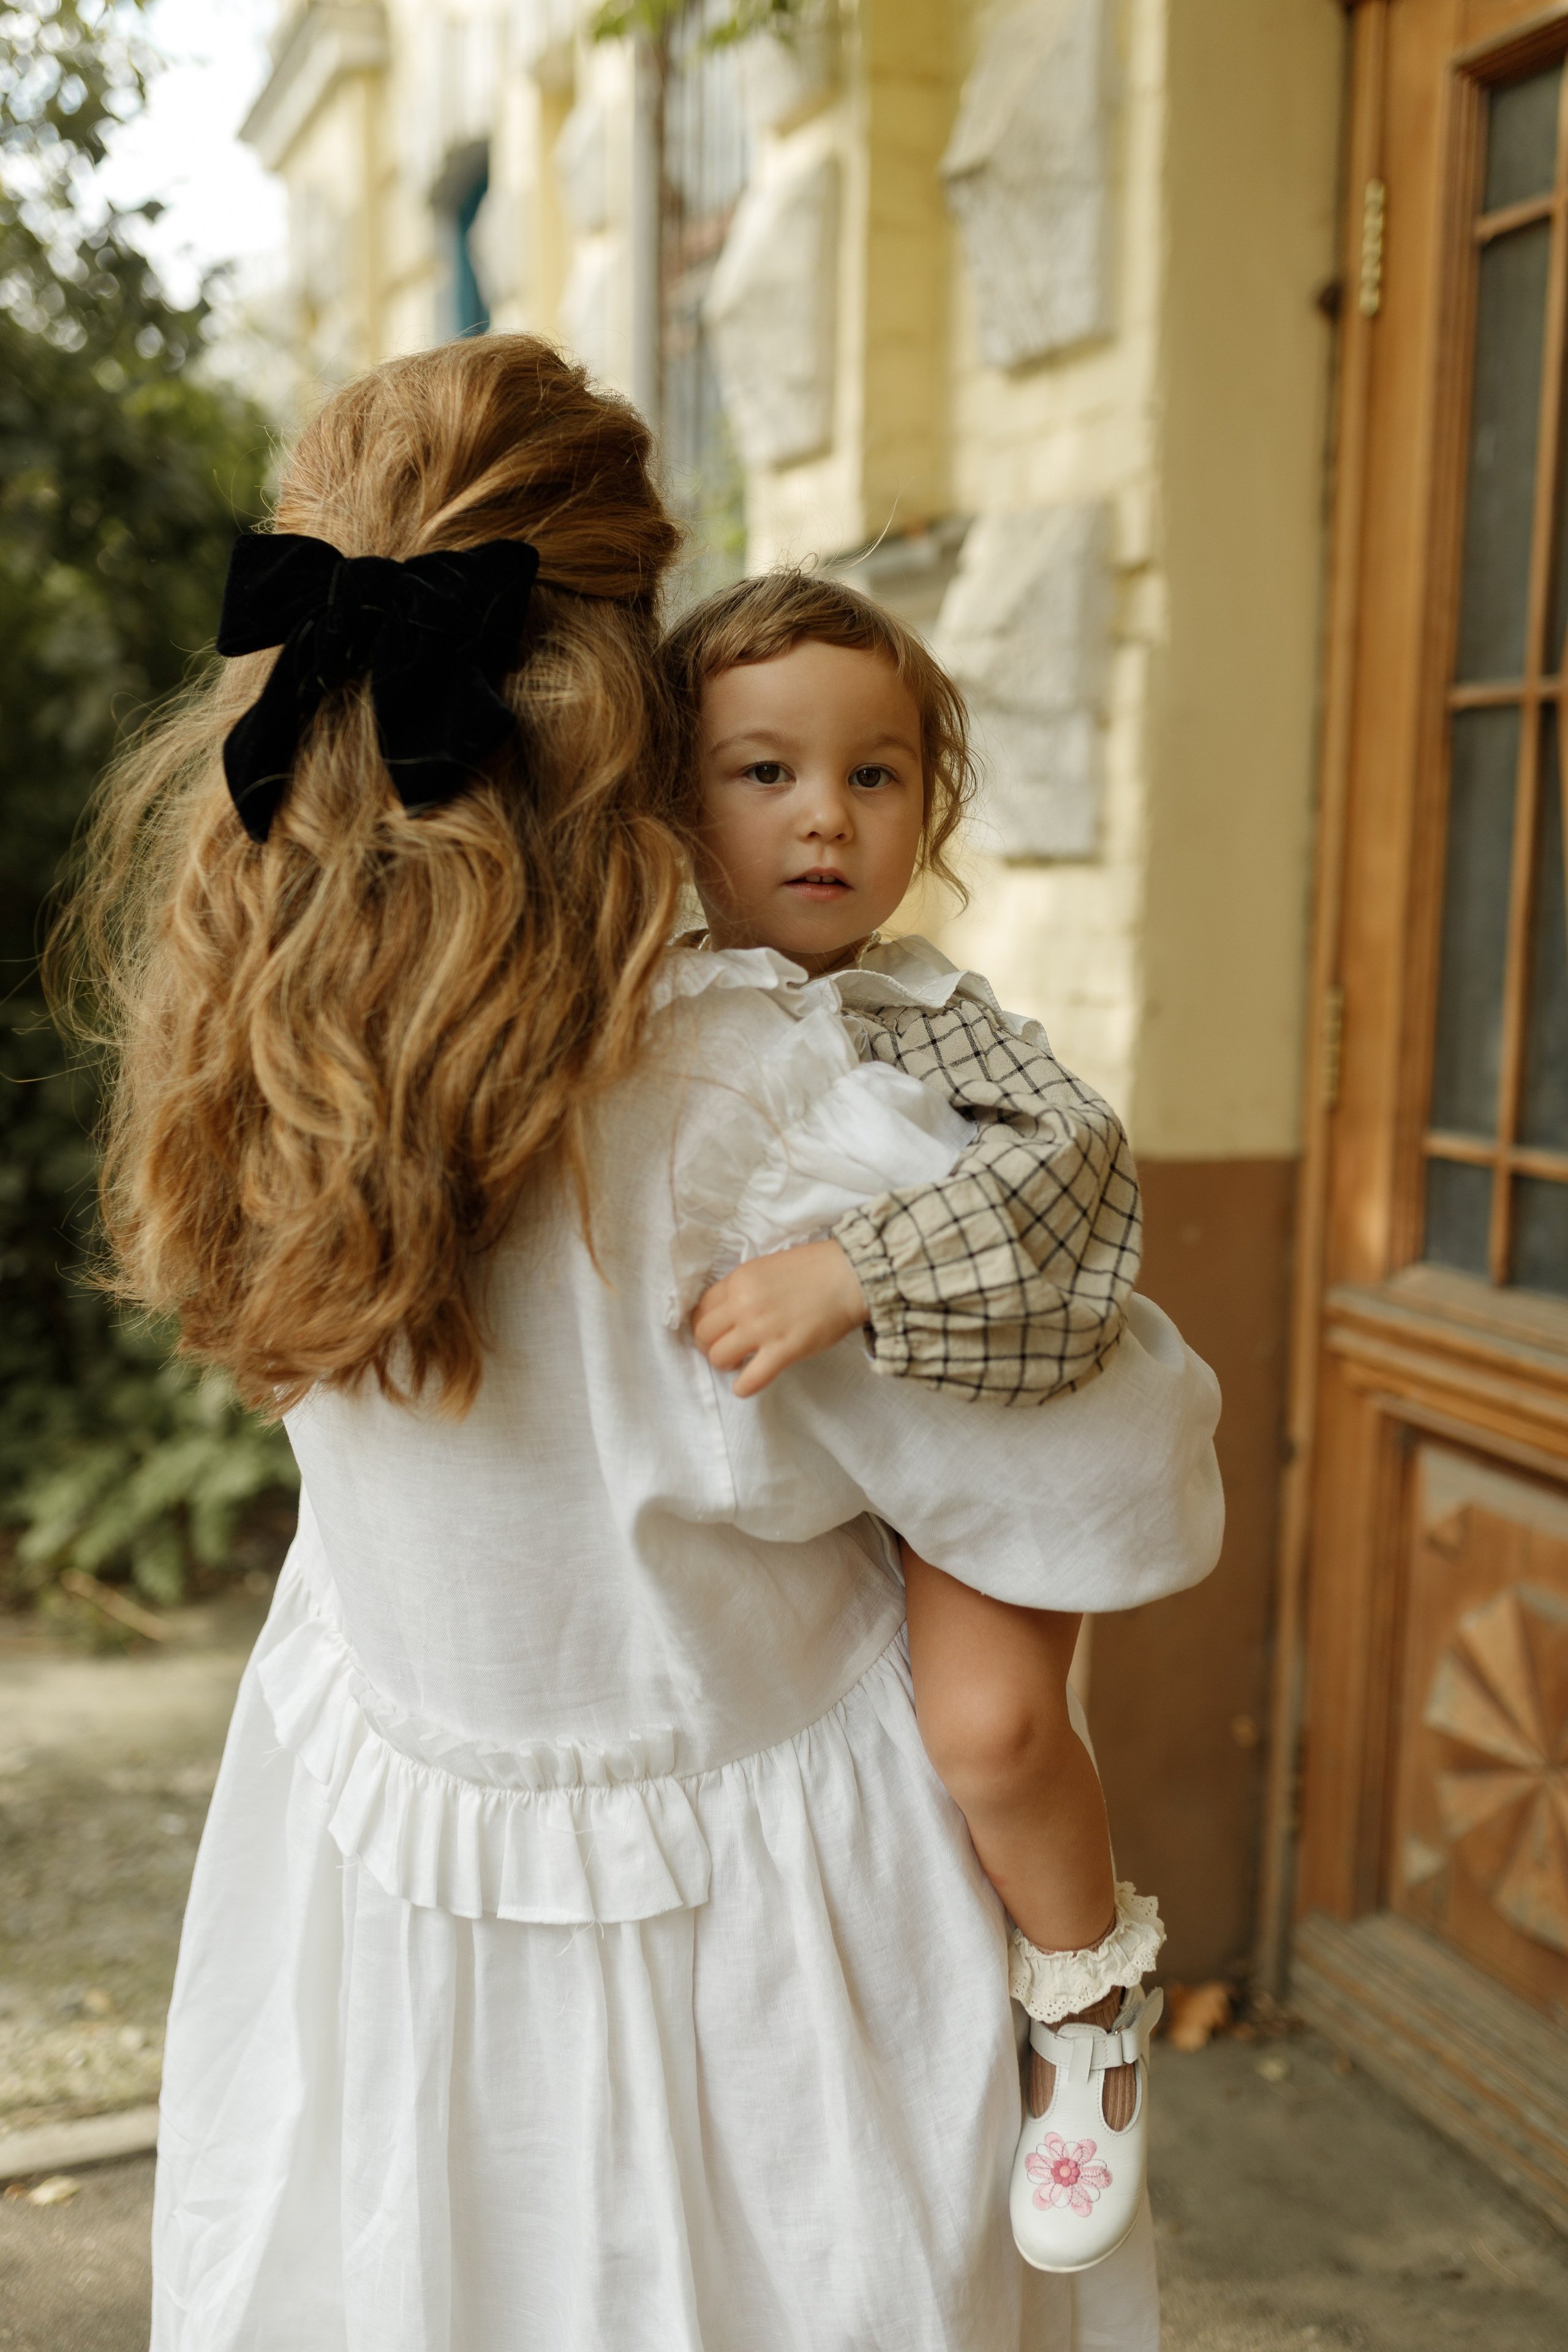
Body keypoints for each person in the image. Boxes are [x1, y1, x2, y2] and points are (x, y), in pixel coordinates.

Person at [58, 333, 1221, 2352]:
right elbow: (1102, 1475)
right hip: (767, 1947)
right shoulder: (754, 1090)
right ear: (619, 677)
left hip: (385, 1890)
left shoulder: (248, 1028)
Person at [663, 571, 1166, 2268]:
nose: (826, 818)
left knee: (992, 1737)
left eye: (875, 778)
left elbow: (1080, 1171)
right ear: (669, 793)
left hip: (1003, 1428)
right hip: (808, 1494)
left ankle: (1090, 2010)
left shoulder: (931, 1015)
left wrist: (854, 1267)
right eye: (765, 773)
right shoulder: (642, 1007)